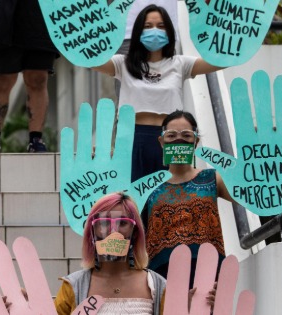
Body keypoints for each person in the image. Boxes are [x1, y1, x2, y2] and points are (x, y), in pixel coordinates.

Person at [93, 5, 222, 181]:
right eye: (147, 26)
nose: (154, 31)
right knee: (135, 201)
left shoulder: (180, 64)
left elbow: (220, 62)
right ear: (138, 31)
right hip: (132, 139)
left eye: (161, 26)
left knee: (173, 199)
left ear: (169, 31)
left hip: (173, 140)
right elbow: (88, 60)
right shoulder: (122, 63)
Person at [145, 110, 233, 284]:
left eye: (186, 135)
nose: (179, 140)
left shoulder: (212, 178)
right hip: (163, 276)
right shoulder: (149, 185)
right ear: (162, 142)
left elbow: (249, 196)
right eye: (171, 135)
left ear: (195, 141)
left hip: (208, 272)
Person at [54, 193, 166, 315]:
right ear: (92, 231)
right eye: (104, 223)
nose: (113, 230)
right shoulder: (73, 286)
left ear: (135, 232)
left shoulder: (158, 286)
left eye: (122, 223)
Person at [0, 0, 59, 153]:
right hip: (6, 13)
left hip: (43, 12)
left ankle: (36, 140)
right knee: (2, 78)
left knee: (38, 77)